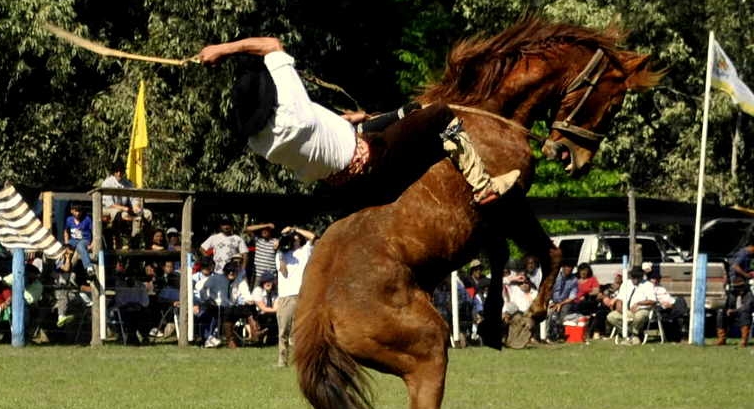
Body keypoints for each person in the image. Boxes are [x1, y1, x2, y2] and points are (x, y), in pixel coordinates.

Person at [197, 37, 520, 204]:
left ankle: (395, 117)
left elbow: (314, 136)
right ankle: (483, 185)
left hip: (341, 169)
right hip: (367, 156)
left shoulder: (258, 142)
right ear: (271, 98)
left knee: (406, 112)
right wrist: (223, 49)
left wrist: (344, 121)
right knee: (437, 112)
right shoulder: (294, 109)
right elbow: (271, 45)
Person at [275, 226, 316, 366]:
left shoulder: (304, 251)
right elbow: (283, 271)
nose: (294, 239)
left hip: (302, 294)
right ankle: (282, 361)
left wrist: (295, 229)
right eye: (291, 238)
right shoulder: (281, 254)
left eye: (296, 237)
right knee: (283, 331)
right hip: (286, 296)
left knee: (300, 331)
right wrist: (280, 246)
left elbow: (313, 237)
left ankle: (302, 360)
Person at [101, 162, 153, 247]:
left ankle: (145, 243)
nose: (119, 173)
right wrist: (125, 209)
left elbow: (134, 199)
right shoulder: (107, 183)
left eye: (121, 171)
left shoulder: (128, 183)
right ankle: (129, 242)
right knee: (125, 215)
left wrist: (136, 207)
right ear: (113, 172)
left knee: (147, 214)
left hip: (126, 209)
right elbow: (109, 204)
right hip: (110, 210)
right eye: (117, 171)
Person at [606, 267, 657, 344]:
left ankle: (634, 335)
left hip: (642, 310)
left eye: (637, 278)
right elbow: (620, 297)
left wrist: (639, 304)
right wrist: (619, 305)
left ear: (641, 277)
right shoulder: (626, 284)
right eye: (633, 278)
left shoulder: (648, 285)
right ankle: (630, 334)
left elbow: (652, 300)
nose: (635, 280)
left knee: (639, 317)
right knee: (611, 317)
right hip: (627, 310)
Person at [716, 243, 754, 346]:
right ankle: (742, 340)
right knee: (744, 310)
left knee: (726, 312)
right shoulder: (744, 254)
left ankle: (723, 339)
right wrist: (746, 275)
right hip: (738, 286)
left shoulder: (739, 253)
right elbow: (735, 266)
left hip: (735, 286)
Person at [546, 260, 577, 342]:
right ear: (562, 267)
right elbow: (548, 290)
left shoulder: (574, 280)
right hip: (552, 301)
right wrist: (551, 302)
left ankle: (560, 334)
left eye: (570, 267)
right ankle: (548, 335)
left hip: (565, 302)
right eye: (566, 267)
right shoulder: (555, 276)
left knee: (564, 312)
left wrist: (560, 304)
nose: (568, 269)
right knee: (550, 313)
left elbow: (572, 296)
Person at [63, 204, 96, 280]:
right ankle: (65, 273)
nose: (78, 213)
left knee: (80, 246)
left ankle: (89, 268)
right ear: (72, 211)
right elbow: (66, 231)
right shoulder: (69, 219)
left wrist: (92, 244)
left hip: (84, 240)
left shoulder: (87, 219)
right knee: (65, 249)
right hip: (73, 240)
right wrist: (66, 241)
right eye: (76, 211)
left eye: (79, 211)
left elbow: (94, 232)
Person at [250, 270, 278, 345]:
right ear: (262, 283)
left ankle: (271, 339)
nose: (268, 283)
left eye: (270, 281)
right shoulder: (257, 291)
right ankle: (257, 337)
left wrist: (276, 310)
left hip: (269, 315)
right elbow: (263, 308)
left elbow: (276, 306)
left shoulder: (275, 292)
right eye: (265, 281)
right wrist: (276, 310)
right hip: (256, 316)